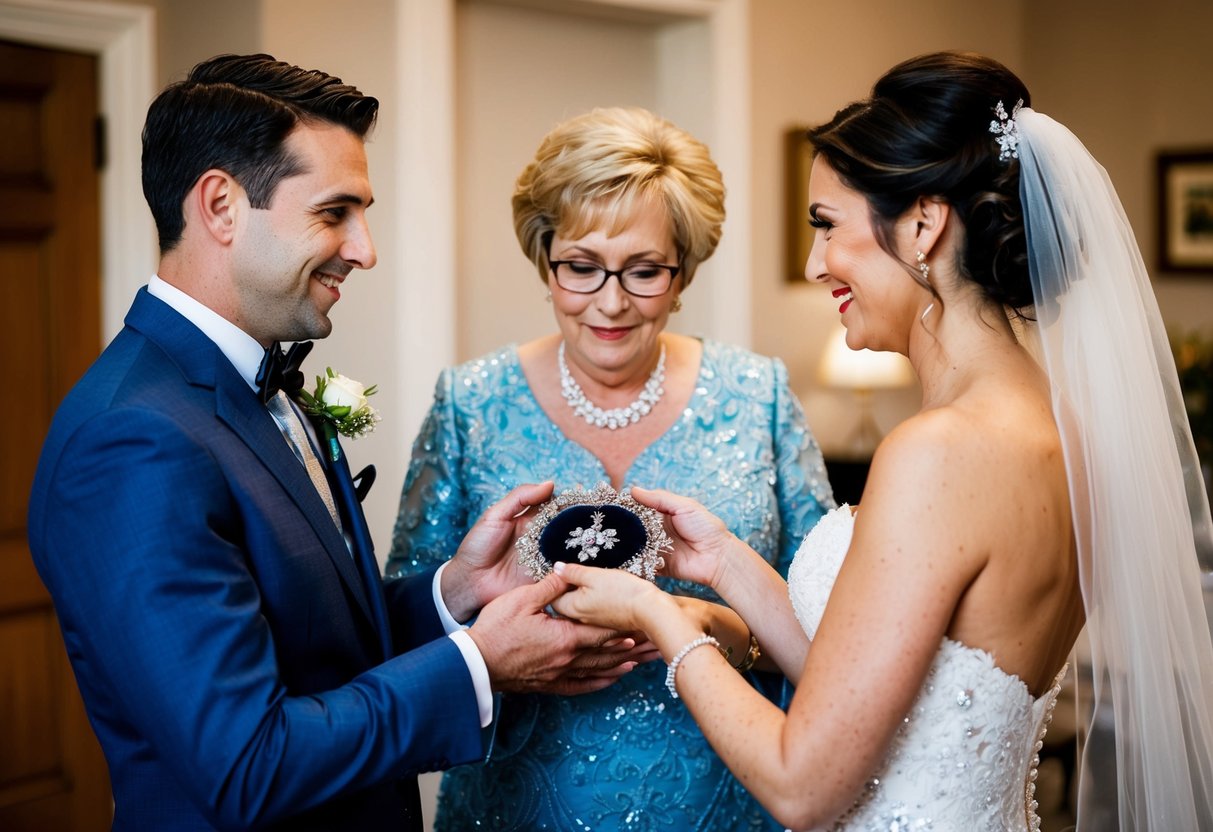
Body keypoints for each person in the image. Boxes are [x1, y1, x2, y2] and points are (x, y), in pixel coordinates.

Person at [550, 51, 1213, 830]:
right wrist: (721, 560)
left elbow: (802, 786)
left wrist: (656, 617)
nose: (814, 262)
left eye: (827, 226)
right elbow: (885, 696)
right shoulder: (1057, 428)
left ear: (923, 225)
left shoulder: (938, 452)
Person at [27, 53, 635, 832]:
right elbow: (249, 762)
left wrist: (457, 596)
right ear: (219, 205)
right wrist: (481, 663)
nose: (364, 248)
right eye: (332, 212)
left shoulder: (244, 386)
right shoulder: (132, 441)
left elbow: (314, 640)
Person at [387, 106, 834, 831]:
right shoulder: (468, 402)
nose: (612, 301)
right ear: (545, 258)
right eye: (582, 267)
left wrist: (726, 632)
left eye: (644, 271)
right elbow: (407, 622)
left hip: (722, 793)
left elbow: (829, 633)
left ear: (682, 270)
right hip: (517, 802)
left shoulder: (759, 395)